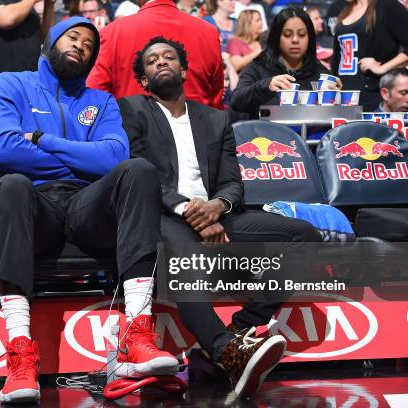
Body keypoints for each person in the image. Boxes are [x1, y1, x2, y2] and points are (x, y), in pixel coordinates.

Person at [0, 17, 178, 403]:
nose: (80, 46)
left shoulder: (100, 101)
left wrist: (43, 141)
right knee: (13, 184)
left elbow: (116, 157)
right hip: (33, 208)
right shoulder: (9, 84)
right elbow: (0, 149)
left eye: (89, 44)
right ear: (51, 41)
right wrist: (82, 159)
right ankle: (20, 355)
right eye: (73, 37)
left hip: (88, 206)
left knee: (138, 170)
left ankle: (138, 334)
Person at [119, 36, 322, 399]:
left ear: (184, 69)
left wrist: (218, 207)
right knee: (183, 257)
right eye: (152, 61)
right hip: (163, 213)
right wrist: (190, 210)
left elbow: (232, 181)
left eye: (169, 57)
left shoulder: (215, 118)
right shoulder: (131, 110)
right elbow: (140, 171)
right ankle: (225, 353)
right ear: (145, 79)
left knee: (305, 235)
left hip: (217, 215)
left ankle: (244, 327)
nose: (162, 62)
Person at [87, 0, 224, 108]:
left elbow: (95, 95)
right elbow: (216, 100)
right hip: (198, 135)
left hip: (133, 136)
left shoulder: (112, 32)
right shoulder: (208, 32)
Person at [230, 8, 340, 120]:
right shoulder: (258, 67)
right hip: (266, 136)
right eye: (287, 35)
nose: (295, 40)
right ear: (277, 37)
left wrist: (337, 98)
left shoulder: (321, 73)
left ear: (310, 38)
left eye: (302, 35)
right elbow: (236, 101)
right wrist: (266, 86)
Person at [332, 0, 408, 111]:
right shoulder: (345, 8)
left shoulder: (387, 5)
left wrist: (382, 68)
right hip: (342, 96)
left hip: (372, 94)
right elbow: (337, 57)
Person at [0, 0, 55, 81]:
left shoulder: (26, 7)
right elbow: (8, 19)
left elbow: (44, 37)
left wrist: (49, 5)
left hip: (27, 82)